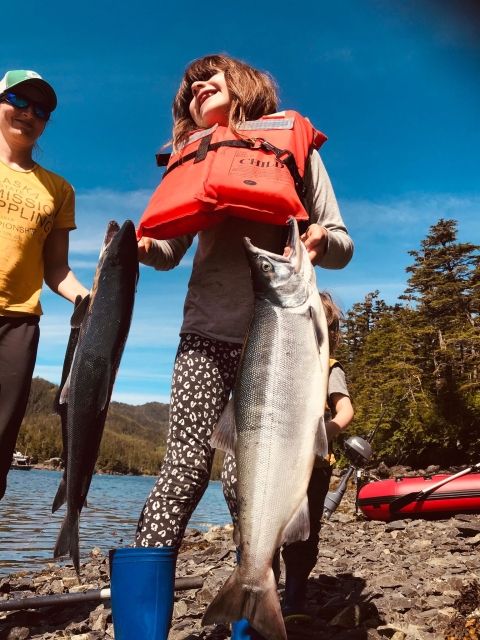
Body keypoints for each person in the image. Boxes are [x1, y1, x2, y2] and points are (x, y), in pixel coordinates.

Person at [115, 54, 353, 638]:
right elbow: (167, 251)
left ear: (243, 86)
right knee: (182, 473)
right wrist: (140, 249)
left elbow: (342, 241)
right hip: (205, 337)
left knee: (251, 483)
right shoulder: (194, 153)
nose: (196, 88)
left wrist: (321, 238)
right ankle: (141, 630)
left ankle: (255, 608)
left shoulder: (296, 149)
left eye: (209, 79)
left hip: (278, 346)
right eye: (188, 87)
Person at [222, 291, 354, 629]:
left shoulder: (329, 368)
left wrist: (324, 431)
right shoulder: (280, 367)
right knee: (271, 534)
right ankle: (267, 593)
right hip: (279, 464)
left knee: (303, 540)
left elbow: (346, 411)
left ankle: (294, 597)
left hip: (315, 468)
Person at [0, 70, 88, 500]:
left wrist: (90, 298)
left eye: (41, 109)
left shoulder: (59, 190)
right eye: (18, 99)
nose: (28, 113)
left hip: (18, 325)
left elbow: (56, 268)